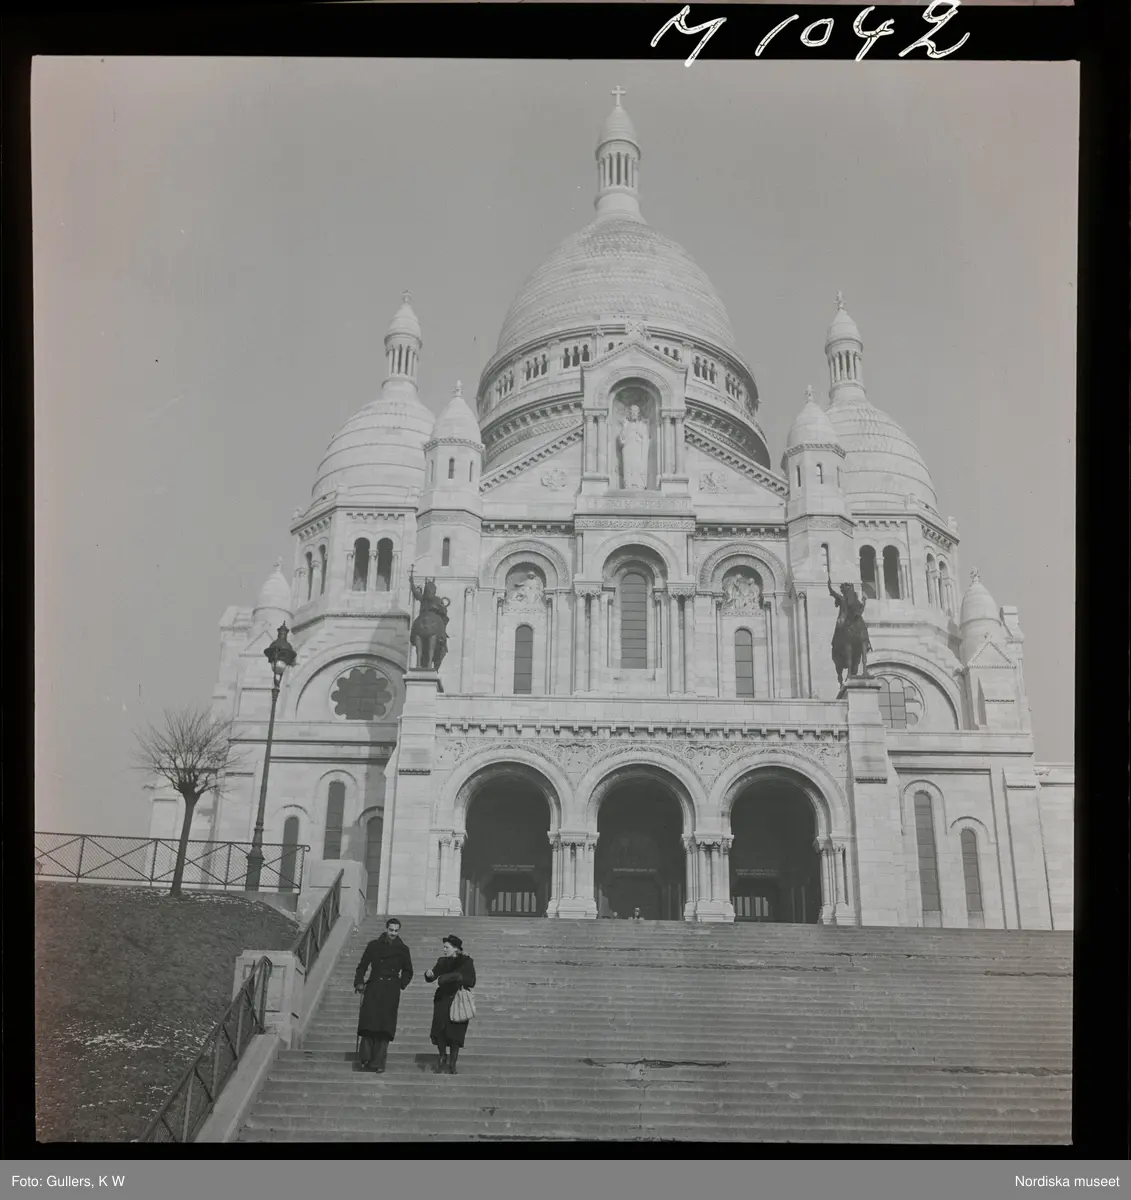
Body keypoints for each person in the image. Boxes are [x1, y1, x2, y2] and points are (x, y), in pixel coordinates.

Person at [352, 918, 414, 1073]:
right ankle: (365, 1058)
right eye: (391, 930)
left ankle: (378, 1062)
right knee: (369, 1024)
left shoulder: (403, 949)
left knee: (385, 1027)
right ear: (386, 929)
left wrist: (401, 984)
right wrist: (359, 982)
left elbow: (408, 970)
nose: (393, 933)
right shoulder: (373, 945)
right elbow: (362, 966)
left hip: (391, 990)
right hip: (374, 987)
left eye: (396, 931)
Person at [423, 934, 476, 1075]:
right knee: (440, 1030)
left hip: (458, 1000)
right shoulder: (442, 961)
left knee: (455, 1033)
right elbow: (434, 975)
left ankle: (453, 1062)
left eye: (447, 947)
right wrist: (429, 974)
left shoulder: (466, 961)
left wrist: (454, 977)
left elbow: (471, 981)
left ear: (455, 948)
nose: (444, 950)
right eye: (444, 947)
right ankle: (442, 1055)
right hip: (442, 1000)